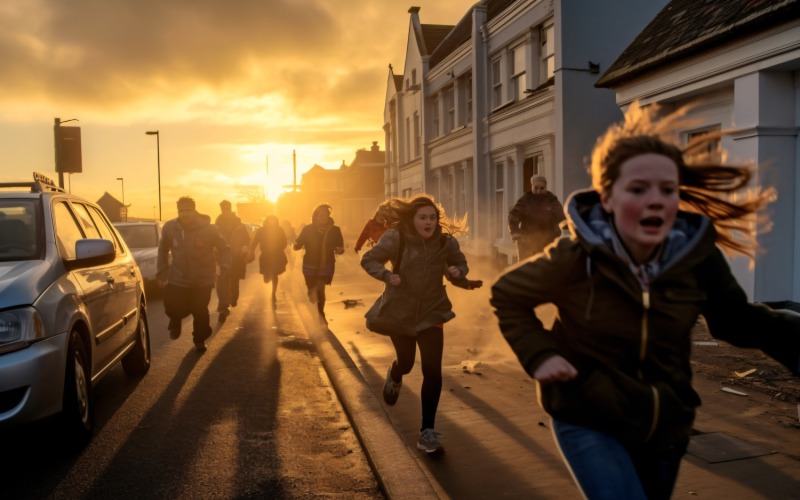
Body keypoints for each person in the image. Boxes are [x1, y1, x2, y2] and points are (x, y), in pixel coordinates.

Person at [490, 102, 800, 499]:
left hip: (664, 425)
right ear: (608, 199)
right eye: (638, 189)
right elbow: (508, 294)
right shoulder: (577, 257)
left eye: (667, 190)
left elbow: (738, 321)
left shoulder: (696, 257)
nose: (656, 200)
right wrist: (540, 354)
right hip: (586, 415)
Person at [361, 196, 483, 455]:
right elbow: (369, 260)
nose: (428, 222)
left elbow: (458, 264)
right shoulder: (397, 238)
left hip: (432, 312)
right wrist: (386, 275)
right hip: (400, 312)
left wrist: (459, 275)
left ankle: (427, 432)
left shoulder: (445, 242)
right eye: (423, 217)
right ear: (412, 219)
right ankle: (395, 374)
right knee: (406, 362)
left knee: (432, 370)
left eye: (432, 217)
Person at [157, 196, 231, 353]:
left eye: (188, 210)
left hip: (202, 279)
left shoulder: (209, 229)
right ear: (178, 211)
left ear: (194, 210)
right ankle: (175, 320)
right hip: (177, 277)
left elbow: (224, 247)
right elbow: (163, 250)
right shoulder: (170, 228)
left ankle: (199, 339)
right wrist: (162, 271)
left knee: (199, 310)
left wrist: (225, 264)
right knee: (170, 305)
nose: (185, 214)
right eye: (181, 210)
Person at [293, 204, 345, 323]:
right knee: (312, 291)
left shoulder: (335, 230)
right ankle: (313, 304)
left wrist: (340, 249)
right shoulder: (307, 229)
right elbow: (298, 244)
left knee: (321, 289)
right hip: (309, 264)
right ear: (315, 216)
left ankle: (320, 314)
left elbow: (340, 246)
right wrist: (296, 244)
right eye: (320, 215)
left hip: (326, 264)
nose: (323, 217)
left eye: (326, 215)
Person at [508, 174, 565, 261]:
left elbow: (561, 218)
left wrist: (560, 231)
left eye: (542, 188)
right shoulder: (525, 200)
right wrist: (515, 232)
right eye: (536, 188)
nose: (539, 191)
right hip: (527, 242)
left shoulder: (552, 200)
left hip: (548, 240)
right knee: (526, 267)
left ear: (546, 187)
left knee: (546, 267)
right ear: (532, 186)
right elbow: (513, 216)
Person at [214, 200, 250, 320]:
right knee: (221, 283)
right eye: (223, 208)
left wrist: (245, 248)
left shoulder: (239, 225)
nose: (225, 210)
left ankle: (232, 299)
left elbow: (246, 239)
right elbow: (211, 240)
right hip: (221, 258)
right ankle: (223, 308)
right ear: (221, 209)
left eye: (227, 208)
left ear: (230, 208)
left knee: (234, 281)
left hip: (236, 257)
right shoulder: (217, 225)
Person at [249, 215, 288, 306]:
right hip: (265, 256)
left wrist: (279, 248)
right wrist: (251, 251)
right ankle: (267, 276)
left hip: (276, 256)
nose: (272, 222)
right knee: (266, 279)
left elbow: (284, 241)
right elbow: (255, 241)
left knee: (274, 274)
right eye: (270, 221)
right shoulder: (261, 230)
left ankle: (273, 294)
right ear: (267, 221)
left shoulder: (279, 230)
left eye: (273, 221)